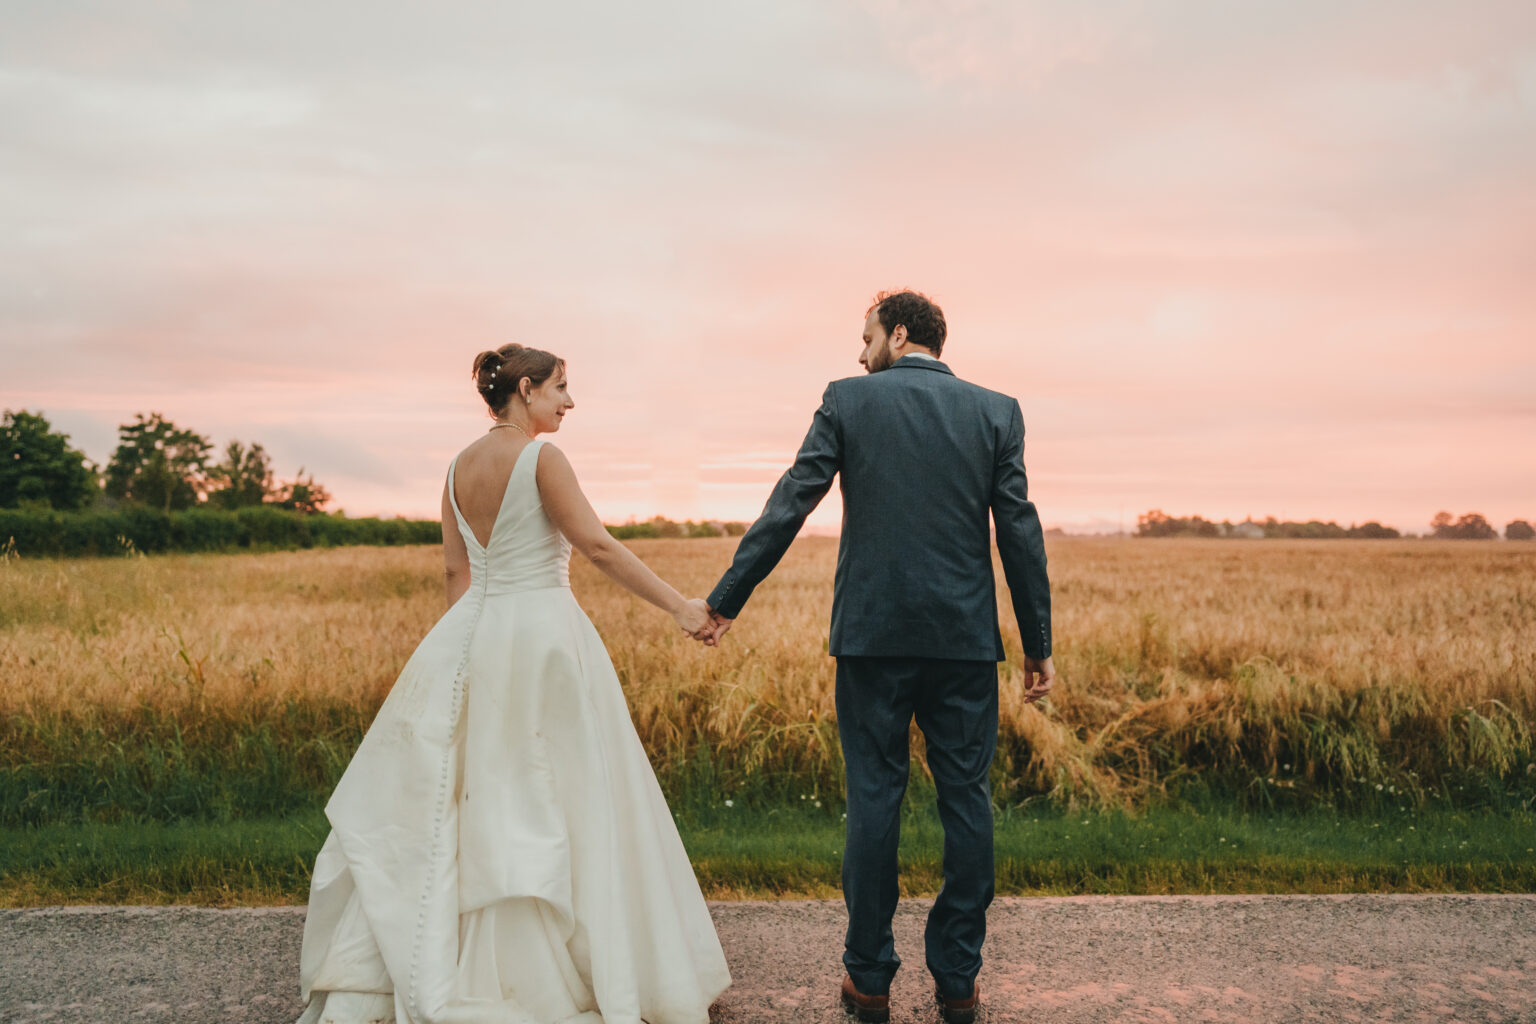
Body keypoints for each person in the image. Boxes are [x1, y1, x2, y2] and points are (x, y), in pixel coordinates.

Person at [294, 343, 731, 1024]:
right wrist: (681, 607)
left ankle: (459, 954)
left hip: (471, 635)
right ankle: (557, 969)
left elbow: (454, 574)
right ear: (525, 390)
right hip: (544, 639)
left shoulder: (456, 467)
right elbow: (596, 545)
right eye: (560, 387)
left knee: (474, 796)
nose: (569, 401)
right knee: (557, 790)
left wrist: (459, 660)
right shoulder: (540, 459)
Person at [700, 290, 1056, 1024]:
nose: (859, 355)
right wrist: (1037, 645)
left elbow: (792, 499)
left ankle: (868, 980)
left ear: (899, 334)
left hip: (872, 638)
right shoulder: (997, 411)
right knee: (968, 801)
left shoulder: (847, 402)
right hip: (963, 644)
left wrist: (727, 597)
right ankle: (958, 980)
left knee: (873, 800)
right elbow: (1019, 530)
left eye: (865, 338)